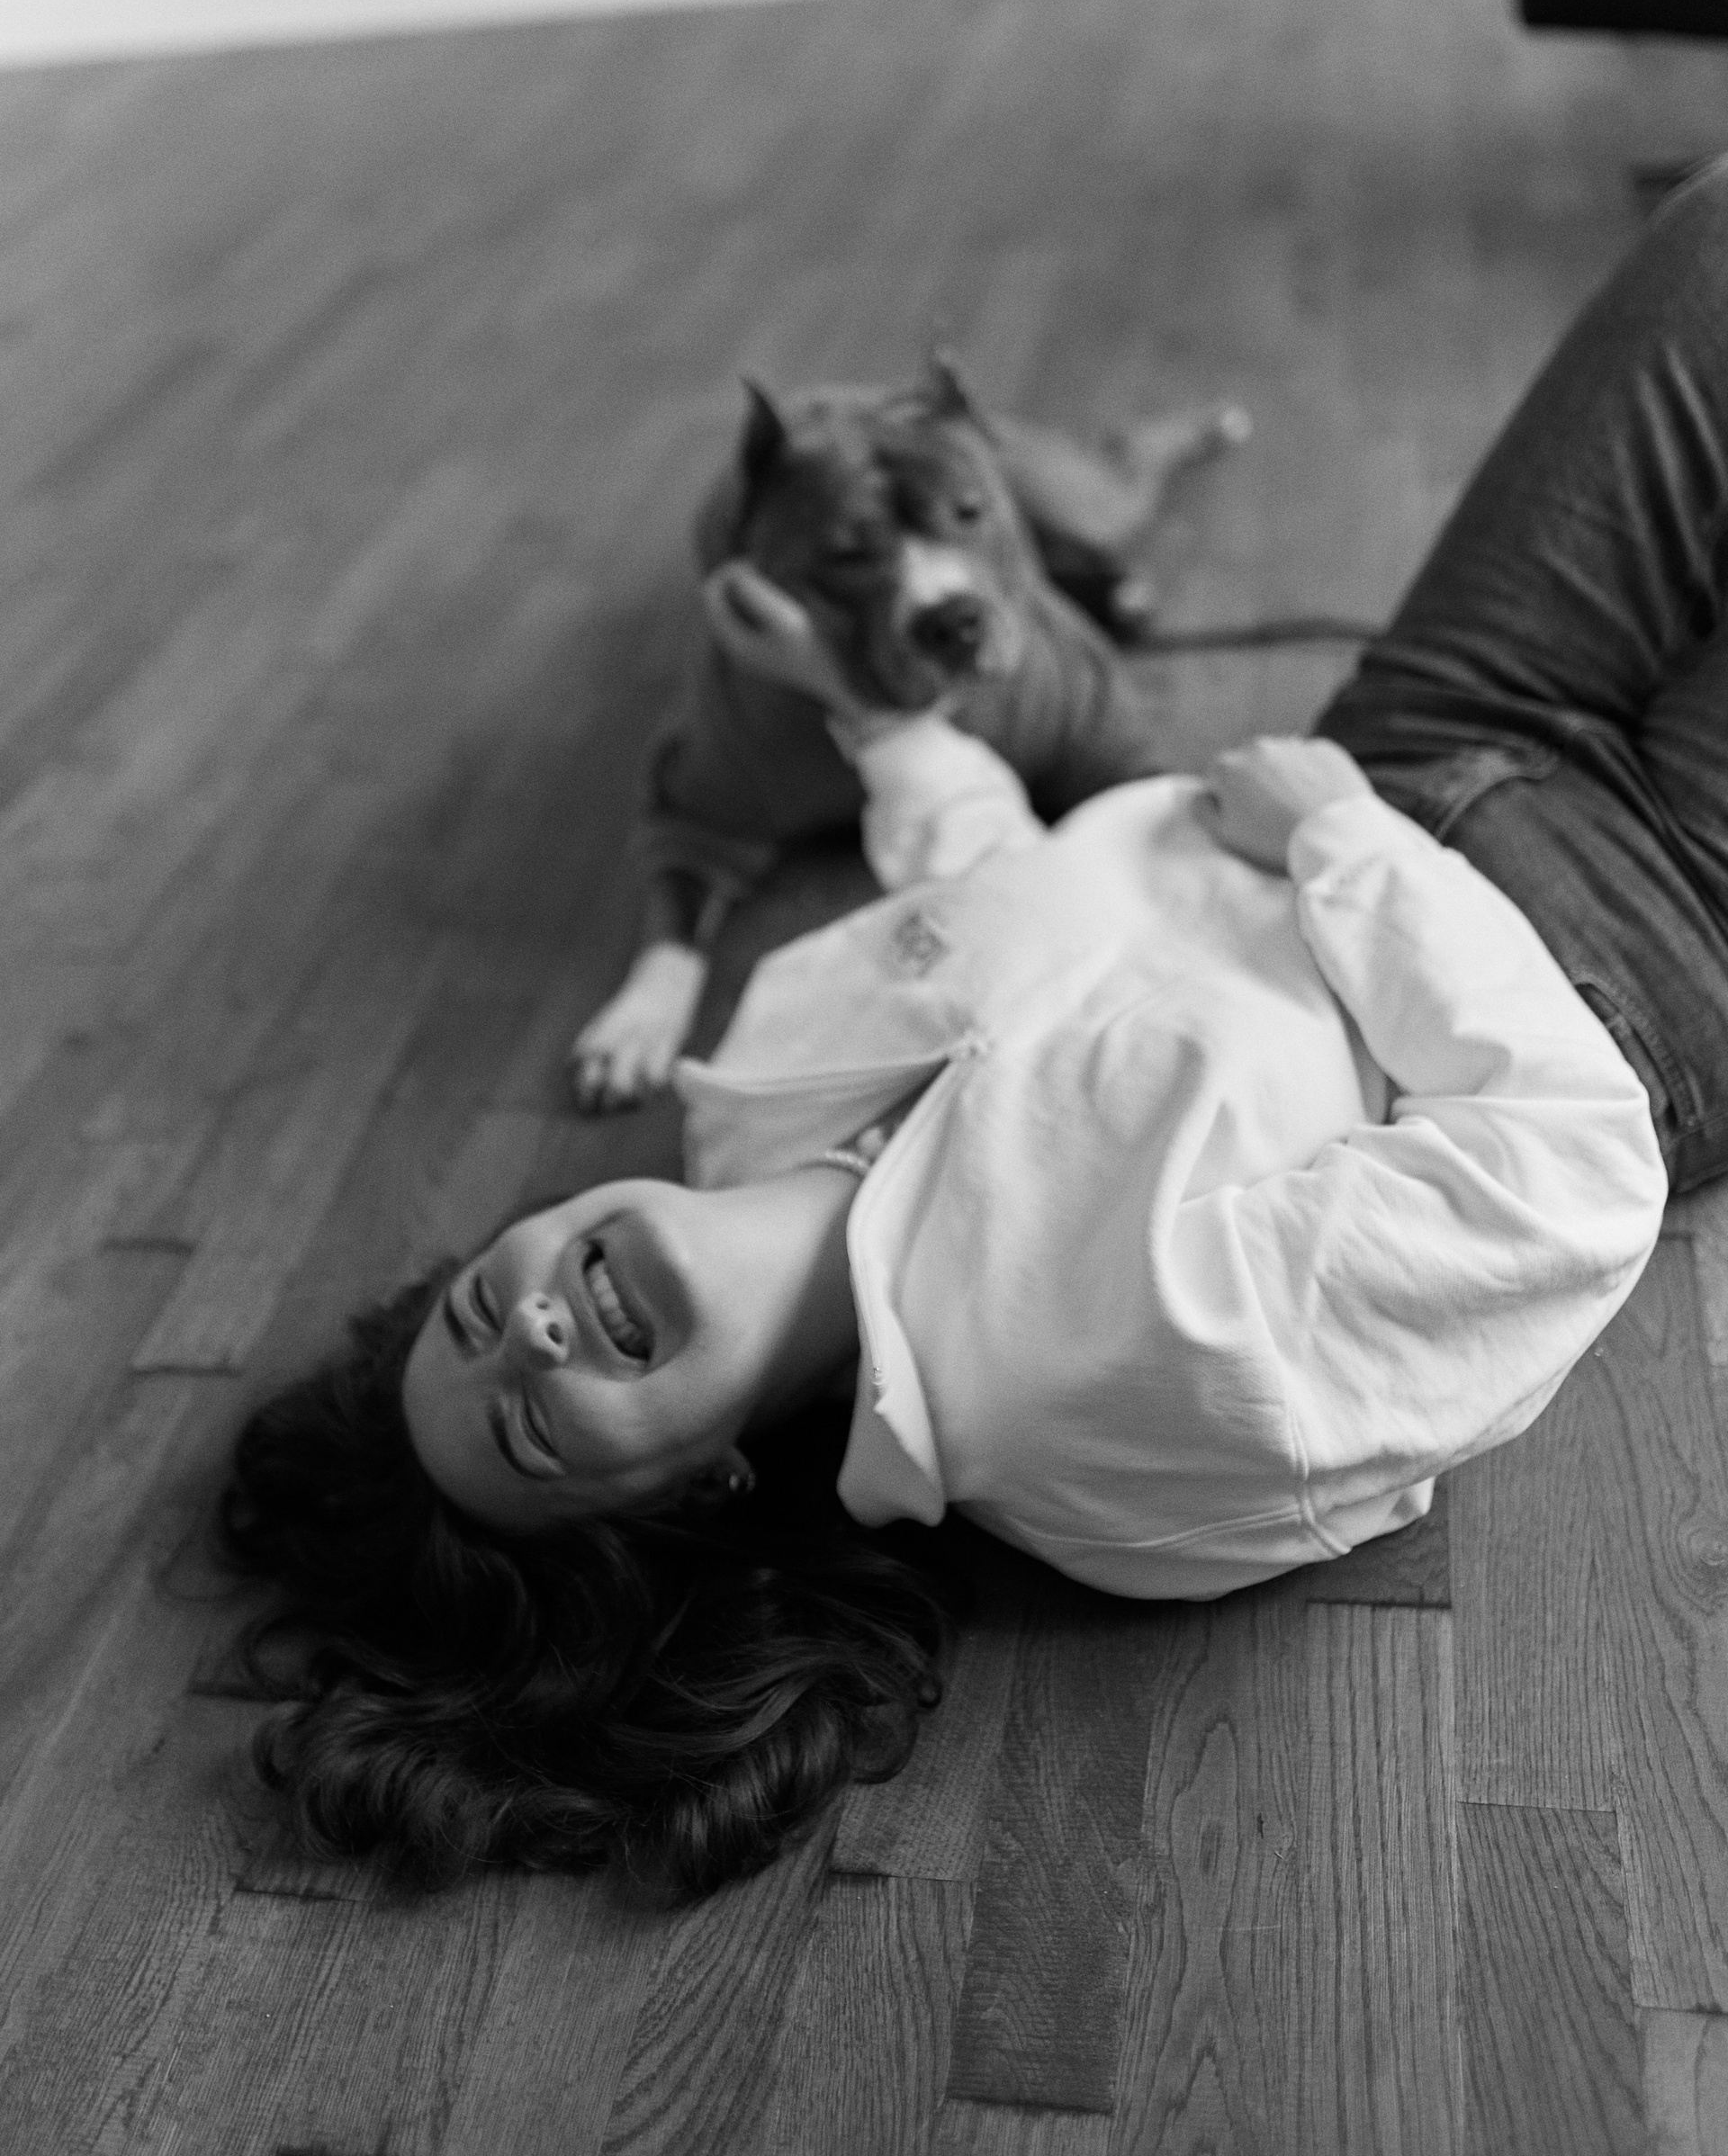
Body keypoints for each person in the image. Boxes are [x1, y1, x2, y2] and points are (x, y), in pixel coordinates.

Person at [223, 159, 1728, 1897]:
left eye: (484, 1311)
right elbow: (1572, 1168)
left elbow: (989, 879)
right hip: (1648, 924)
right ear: (693, 1496)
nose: (539, 1333)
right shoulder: (1108, 1409)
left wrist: (857, 701)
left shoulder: (757, 1082)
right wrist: (1341, 849)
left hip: (1407, 736)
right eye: (534, 1428)